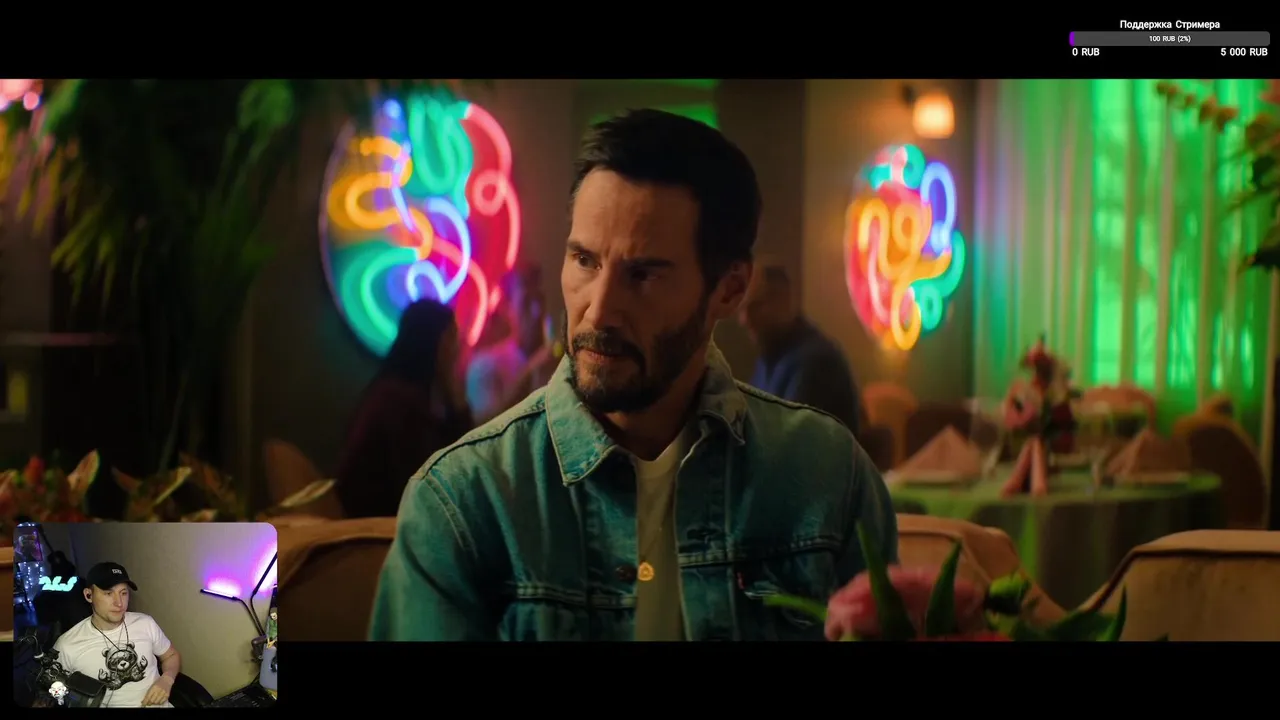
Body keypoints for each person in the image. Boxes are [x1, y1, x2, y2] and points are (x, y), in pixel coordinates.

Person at [370, 108, 897, 641]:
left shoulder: (828, 477)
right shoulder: (464, 502)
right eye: (585, 261)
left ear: (729, 289)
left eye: (642, 274)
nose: (598, 312)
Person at [334, 299, 472, 518]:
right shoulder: (398, 403)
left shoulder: (398, 393)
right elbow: (430, 483)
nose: (458, 349)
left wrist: (455, 399)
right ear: (434, 343)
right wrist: (455, 397)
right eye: (452, 338)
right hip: (375, 529)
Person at [739, 261, 867, 435]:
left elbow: (787, 440)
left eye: (755, 305)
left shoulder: (816, 362)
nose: (744, 319)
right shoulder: (767, 359)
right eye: (742, 309)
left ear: (783, 301)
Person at [52, 562, 181, 708]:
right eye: (108, 593)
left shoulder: (146, 623)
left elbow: (171, 655)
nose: (119, 603)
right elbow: (54, 692)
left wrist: (167, 680)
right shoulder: (67, 645)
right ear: (88, 595)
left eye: (123, 593)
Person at [465, 262, 558, 424]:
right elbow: (485, 427)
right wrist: (532, 371)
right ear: (507, 308)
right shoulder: (485, 366)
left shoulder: (560, 363)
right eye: (526, 303)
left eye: (539, 301)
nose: (537, 312)